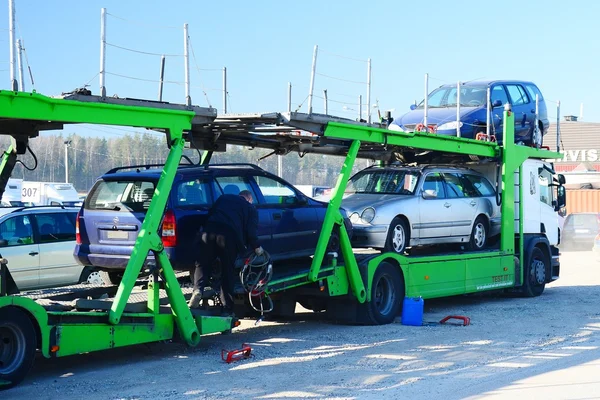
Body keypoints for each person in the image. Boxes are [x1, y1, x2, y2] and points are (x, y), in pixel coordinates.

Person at [188, 189, 263, 315]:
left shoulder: (224, 197)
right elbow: (251, 231)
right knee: (227, 271)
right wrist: (256, 247)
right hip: (228, 238)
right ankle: (227, 307)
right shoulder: (250, 208)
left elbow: (211, 213)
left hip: (208, 232)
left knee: (202, 264)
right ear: (249, 199)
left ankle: (198, 290)